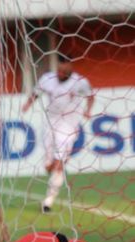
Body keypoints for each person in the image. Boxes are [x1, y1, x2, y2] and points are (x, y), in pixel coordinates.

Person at [21, 55, 94, 213]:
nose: (61, 74)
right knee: (49, 165)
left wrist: (88, 111)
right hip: (50, 123)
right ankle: (52, 166)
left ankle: (48, 201)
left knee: (59, 163)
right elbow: (35, 93)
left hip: (68, 127)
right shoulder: (47, 79)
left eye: (64, 71)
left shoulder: (80, 82)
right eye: (59, 70)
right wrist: (27, 104)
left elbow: (90, 96)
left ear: (71, 68)